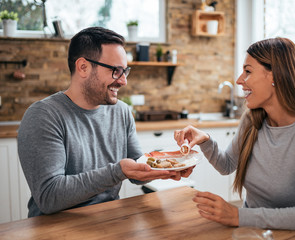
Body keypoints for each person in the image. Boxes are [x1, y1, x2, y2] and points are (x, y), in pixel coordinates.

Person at [18, 27, 192, 218]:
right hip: (53, 229)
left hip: (108, 220)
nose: (123, 81)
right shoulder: (44, 115)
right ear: (83, 67)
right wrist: (117, 172)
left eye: (125, 71)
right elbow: (49, 197)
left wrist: (167, 165)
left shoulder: (122, 112)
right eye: (116, 71)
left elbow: (136, 169)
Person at [174, 37, 295, 233]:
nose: (239, 80)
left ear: (275, 76)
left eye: (248, 71)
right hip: (250, 233)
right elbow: (226, 165)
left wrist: (237, 216)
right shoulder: (252, 120)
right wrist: (206, 141)